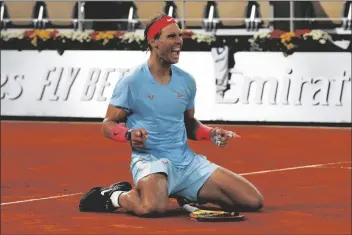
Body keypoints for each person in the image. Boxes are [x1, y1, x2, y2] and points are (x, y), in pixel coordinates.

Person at [78, 13, 264, 217]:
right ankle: (114, 196)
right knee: (153, 208)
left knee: (252, 201)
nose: (178, 42)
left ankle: (189, 193)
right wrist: (128, 134)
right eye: (171, 36)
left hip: (187, 163)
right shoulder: (132, 82)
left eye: (180, 36)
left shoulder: (186, 81)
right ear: (154, 42)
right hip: (151, 161)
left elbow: (189, 124)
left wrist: (210, 133)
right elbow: (108, 124)